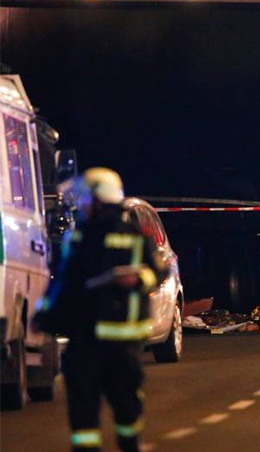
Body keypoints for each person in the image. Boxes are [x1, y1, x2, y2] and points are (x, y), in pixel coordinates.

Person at [34, 168, 168, 452]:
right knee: (83, 405)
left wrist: (136, 280)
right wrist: (45, 314)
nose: (81, 206)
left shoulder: (135, 236)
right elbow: (64, 282)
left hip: (123, 340)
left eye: (85, 200)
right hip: (86, 338)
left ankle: (130, 445)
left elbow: (158, 270)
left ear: (99, 200)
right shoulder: (79, 238)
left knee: (126, 404)